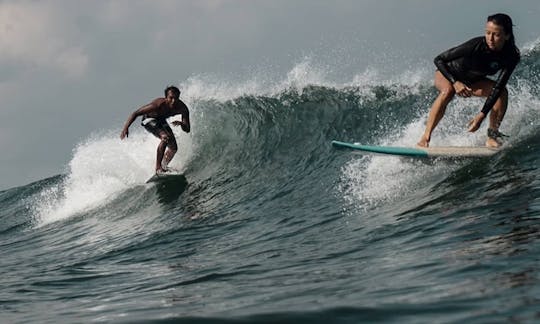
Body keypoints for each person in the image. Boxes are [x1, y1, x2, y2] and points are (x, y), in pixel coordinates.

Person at [417, 13, 520, 148]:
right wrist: (455, 82)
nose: (490, 38)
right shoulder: (476, 45)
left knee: (502, 93)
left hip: (472, 81)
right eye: (488, 33)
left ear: (506, 36)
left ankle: (492, 136)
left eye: (496, 34)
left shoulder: (511, 55)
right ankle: (425, 137)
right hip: (448, 73)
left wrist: (482, 115)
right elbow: (439, 59)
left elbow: (498, 87)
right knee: (448, 91)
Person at [120, 85, 190, 173]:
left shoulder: (182, 108)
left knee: (173, 148)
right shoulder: (157, 104)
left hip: (161, 120)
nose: (173, 101)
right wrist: (126, 128)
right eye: (171, 98)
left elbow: (187, 129)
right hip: (149, 120)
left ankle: (164, 166)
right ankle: (158, 167)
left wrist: (181, 123)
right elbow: (136, 113)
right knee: (165, 137)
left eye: (176, 98)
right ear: (166, 97)